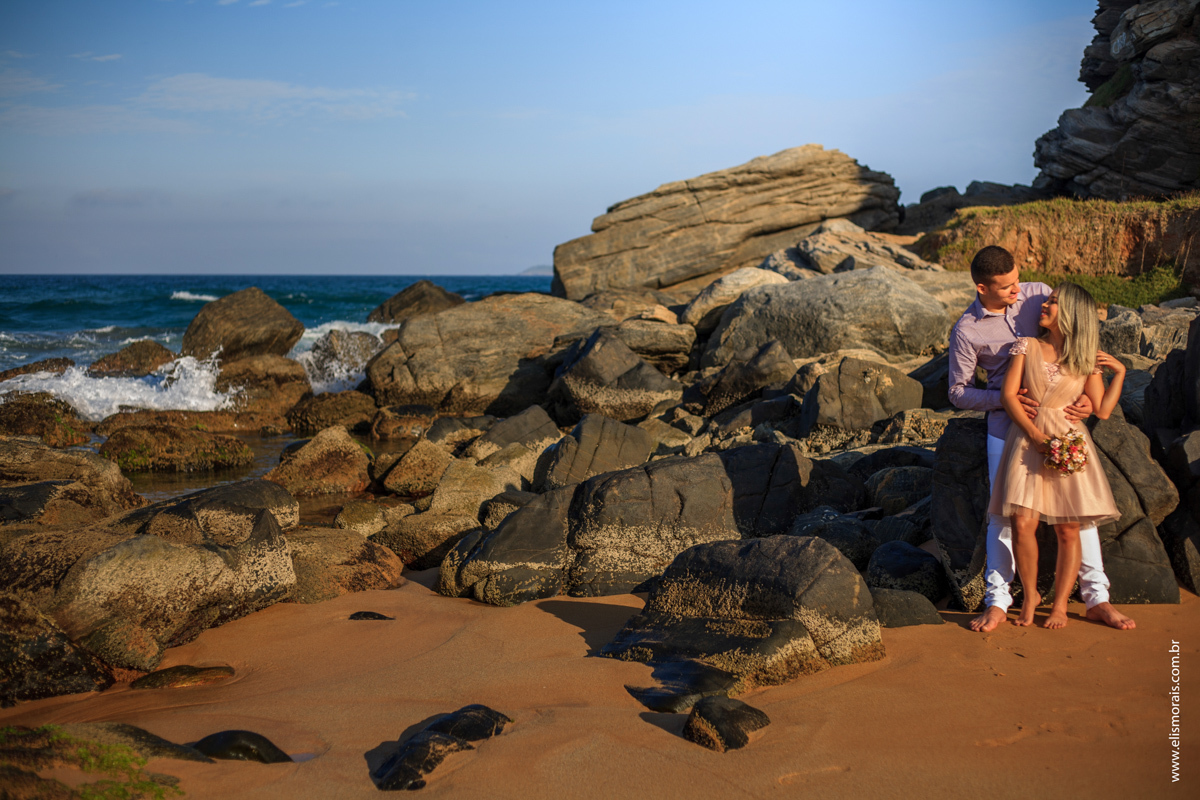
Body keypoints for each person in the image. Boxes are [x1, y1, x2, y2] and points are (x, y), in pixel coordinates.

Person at [947, 245, 1134, 632]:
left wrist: (1083, 390)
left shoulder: (1038, 293)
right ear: (983, 288)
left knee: (1080, 518)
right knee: (1004, 516)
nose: (1019, 290)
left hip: (1064, 423)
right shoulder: (967, 330)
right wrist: (1005, 401)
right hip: (1006, 429)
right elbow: (957, 392)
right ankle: (999, 601)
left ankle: (1096, 597)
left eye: (1018, 279)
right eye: (1007, 286)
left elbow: (1078, 343)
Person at [988, 282, 1124, 628]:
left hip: (1068, 442)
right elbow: (1007, 396)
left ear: (1073, 315)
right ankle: (1030, 595)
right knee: (1022, 522)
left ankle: (1061, 604)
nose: (1045, 306)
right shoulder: (1027, 346)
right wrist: (1034, 435)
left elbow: (1103, 410)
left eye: (1054, 303)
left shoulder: (1086, 360)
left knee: (1069, 528)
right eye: (1047, 300)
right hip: (1027, 441)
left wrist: (1120, 374)